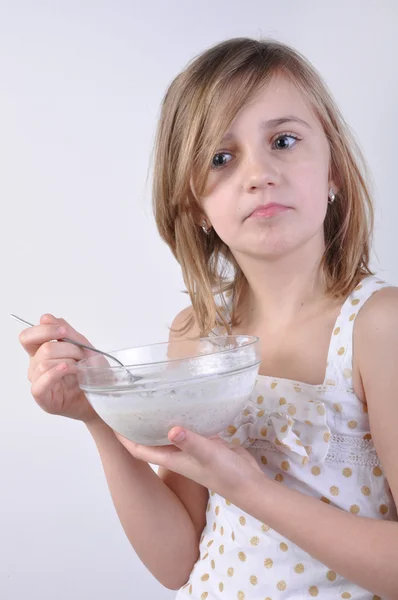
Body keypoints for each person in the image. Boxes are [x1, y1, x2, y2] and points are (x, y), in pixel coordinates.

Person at [18, 38, 398, 599]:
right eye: (221, 158)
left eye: (284, 141)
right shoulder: (197, 335)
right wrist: (97, 413)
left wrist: (249, 489)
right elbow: (178, 561)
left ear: (335, 169)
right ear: (195, 203)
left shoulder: (378, 327)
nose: (258, 173)